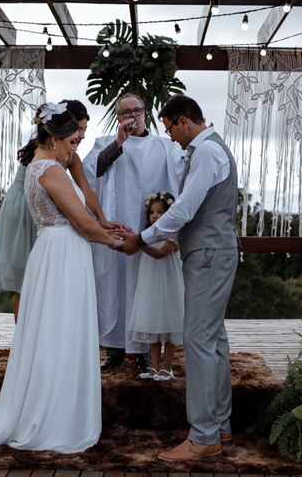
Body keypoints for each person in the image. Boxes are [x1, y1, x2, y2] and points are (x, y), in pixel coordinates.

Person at [0, 103, 123, 453]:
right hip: (62, 254)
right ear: (56, 139)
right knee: (62, 331)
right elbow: (82, 224)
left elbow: (86, 213)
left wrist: (105, 225)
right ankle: (55, 418)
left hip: (53, 250)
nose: (76, 146)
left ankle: (50, 407)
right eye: (73, 140)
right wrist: (122, 244)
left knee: (53, 331)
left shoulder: (40, 164)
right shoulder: (52, 171)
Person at [119, 95, 239, 462]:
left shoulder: (205, 153)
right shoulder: (213, 149)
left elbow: (186, 208)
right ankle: (221, 426)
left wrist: (142, 238)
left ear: (184, 121)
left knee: (198, 340)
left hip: (208, 254)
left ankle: (203, 436)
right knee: (213, 338)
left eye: (170, 128)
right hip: (214, 252)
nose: (170, 136)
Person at [0, 99, 121, 322]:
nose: (81, 136)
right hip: (25, 208)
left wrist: (102, 219)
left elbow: (85, 189)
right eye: (78, 129)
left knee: (50, 282)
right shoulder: (43, 154)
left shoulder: (69, 155)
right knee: (26, 282)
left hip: (53, 205)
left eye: (84, 130)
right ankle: (25, 332)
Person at [83, 93, 185, 371]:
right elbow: (91, 172)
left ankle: (142, 351)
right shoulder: (105, 144)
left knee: (144, 291)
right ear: (118, 118)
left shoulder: (164, 147)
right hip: (114, 231)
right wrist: (119, 143)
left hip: (146, 234)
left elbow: (183, 172)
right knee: (111, 286)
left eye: (136, 110)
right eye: (125, 113)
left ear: (145, 112)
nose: (131, 117)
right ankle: (114, 349)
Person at [127, 191, 184, 382]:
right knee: (152, 324)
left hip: (168, 284)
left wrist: (138, 242)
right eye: (152, 212)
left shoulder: (173, 233)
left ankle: (167, 368)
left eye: (160, 212)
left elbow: (160, 254)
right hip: (151, 284)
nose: (155, 216)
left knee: (168, 325)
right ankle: (154, 368)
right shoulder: (147, 235)